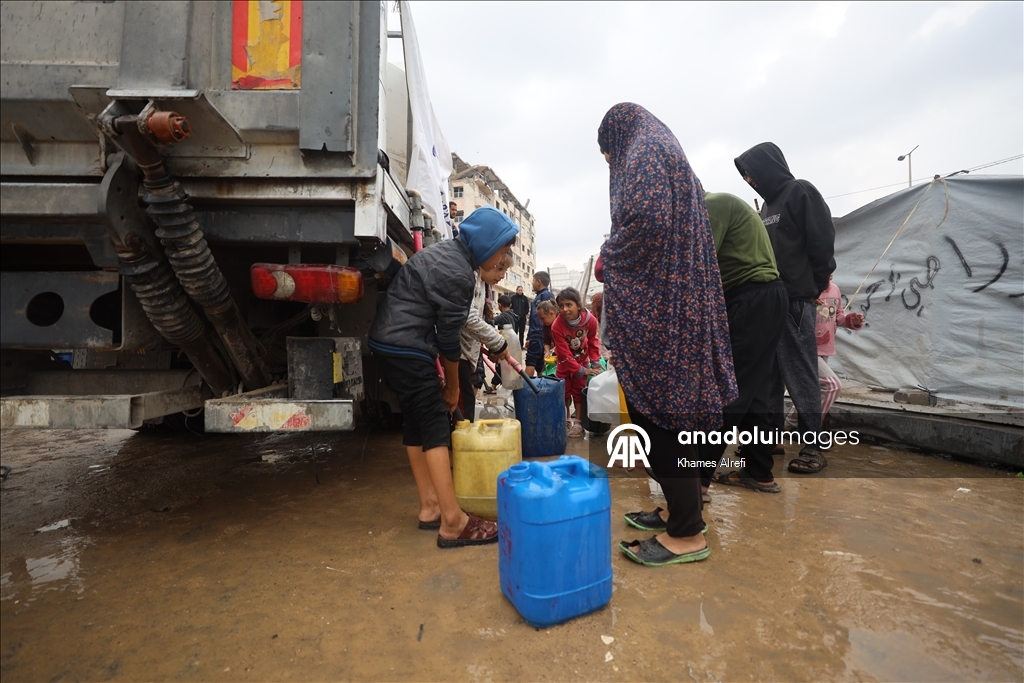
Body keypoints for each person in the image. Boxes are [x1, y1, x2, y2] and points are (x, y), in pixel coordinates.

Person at [599, 102, 737, 567]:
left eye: (606, 157)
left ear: (613, 139)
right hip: (685, 303)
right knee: (680, 410)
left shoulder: (639, 153)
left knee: (663, 416)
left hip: (662, 311)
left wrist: (609, 255)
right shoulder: (665, 147)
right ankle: (680, 509)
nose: (610, 167)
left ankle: (686, 534)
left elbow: (650, 220)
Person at [367, 206, 516, 548]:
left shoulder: (449, 255)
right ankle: (452, 520)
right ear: (486, 242)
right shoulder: (459, 273)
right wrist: (451, 387)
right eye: (503, 250)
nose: (503, 258)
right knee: (435, 421)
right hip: (408, 346)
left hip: (388, 342)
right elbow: (449, 341)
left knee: (416, 423)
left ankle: (430, 506)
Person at [735, 142, 836, 474]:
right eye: (745, 177)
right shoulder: (765, 208)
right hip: (771, 300)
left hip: (796, 300)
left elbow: (821, 240)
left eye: (752, 173)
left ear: (767, 167)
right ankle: (771, 438)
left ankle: (813, 447)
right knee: (770, 376)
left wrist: (815, 283)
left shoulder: (800, 192)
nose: (750, 181)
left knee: (801, 372)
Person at [785, 274, 864, 430]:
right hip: (807, 348)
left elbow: (837, 316)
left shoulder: (834, 289)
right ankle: (804, 426)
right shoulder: (804, 289)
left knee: (810, 392)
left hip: (825, 346)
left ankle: (789, 425)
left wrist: (850, 320)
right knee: (832, 386)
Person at [551, 287, 602, 437]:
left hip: (582, 359)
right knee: (564, 391)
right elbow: (564, 352)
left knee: (579, 392)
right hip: (564, 362)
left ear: (578, 305)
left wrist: (595, 363)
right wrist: (580, 370)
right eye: (561, 306)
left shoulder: (590, 321)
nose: (565, 309)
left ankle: (578, 423)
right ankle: (565, 420)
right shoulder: (557, 326)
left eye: (569, 305)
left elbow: (593, 341)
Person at [459, 281, 510, 422]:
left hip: (471, 352)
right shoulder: (470, 277)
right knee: (462, 409)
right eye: (499, 267)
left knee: (467, 402)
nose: (501, 275)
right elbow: (469, 319)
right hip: (460, 354)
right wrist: (498, 343)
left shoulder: (483, 283)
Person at [485, 294, 519, 394]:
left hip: (504, 345)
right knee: (506, 366)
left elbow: (491, 322)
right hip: (512, 343)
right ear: (511, 305)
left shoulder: (503, 316)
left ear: (499, 305)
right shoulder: (513, 315)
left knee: (501, 365)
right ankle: (500, 385)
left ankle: (494, 385)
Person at [524, 271, 555, 377]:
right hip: (535, 335)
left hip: (539, 335)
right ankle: (539, 388)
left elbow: (549, 318)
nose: (532, 283)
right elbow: (533, 320)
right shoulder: (539, 296)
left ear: (538, 282)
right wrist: (529, 337)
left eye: (533, 280)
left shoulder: (546, 295)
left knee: (531, 360)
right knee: (539, 363)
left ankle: (527, 389)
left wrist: (550, 337)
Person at [535, 299, 558, 364]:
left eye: (543, 318)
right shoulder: (545, 326)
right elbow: (546, 340)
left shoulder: (561, 322)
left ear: (552, 314)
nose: (541, 321)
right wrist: (547, 351)